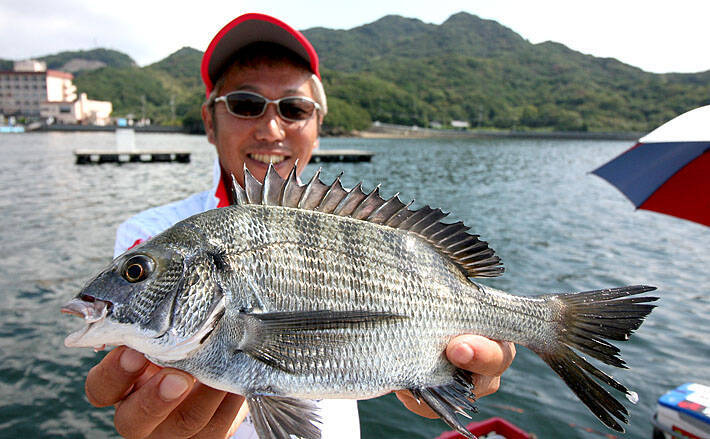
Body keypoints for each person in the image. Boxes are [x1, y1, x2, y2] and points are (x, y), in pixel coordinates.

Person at [83, 13, 516, 439]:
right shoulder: (150, 233)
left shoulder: (347, 225)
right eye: (245, 105)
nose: (271, 129)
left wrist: (457, 375)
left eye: (293, 108)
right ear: (209, 122)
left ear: (317, 126)